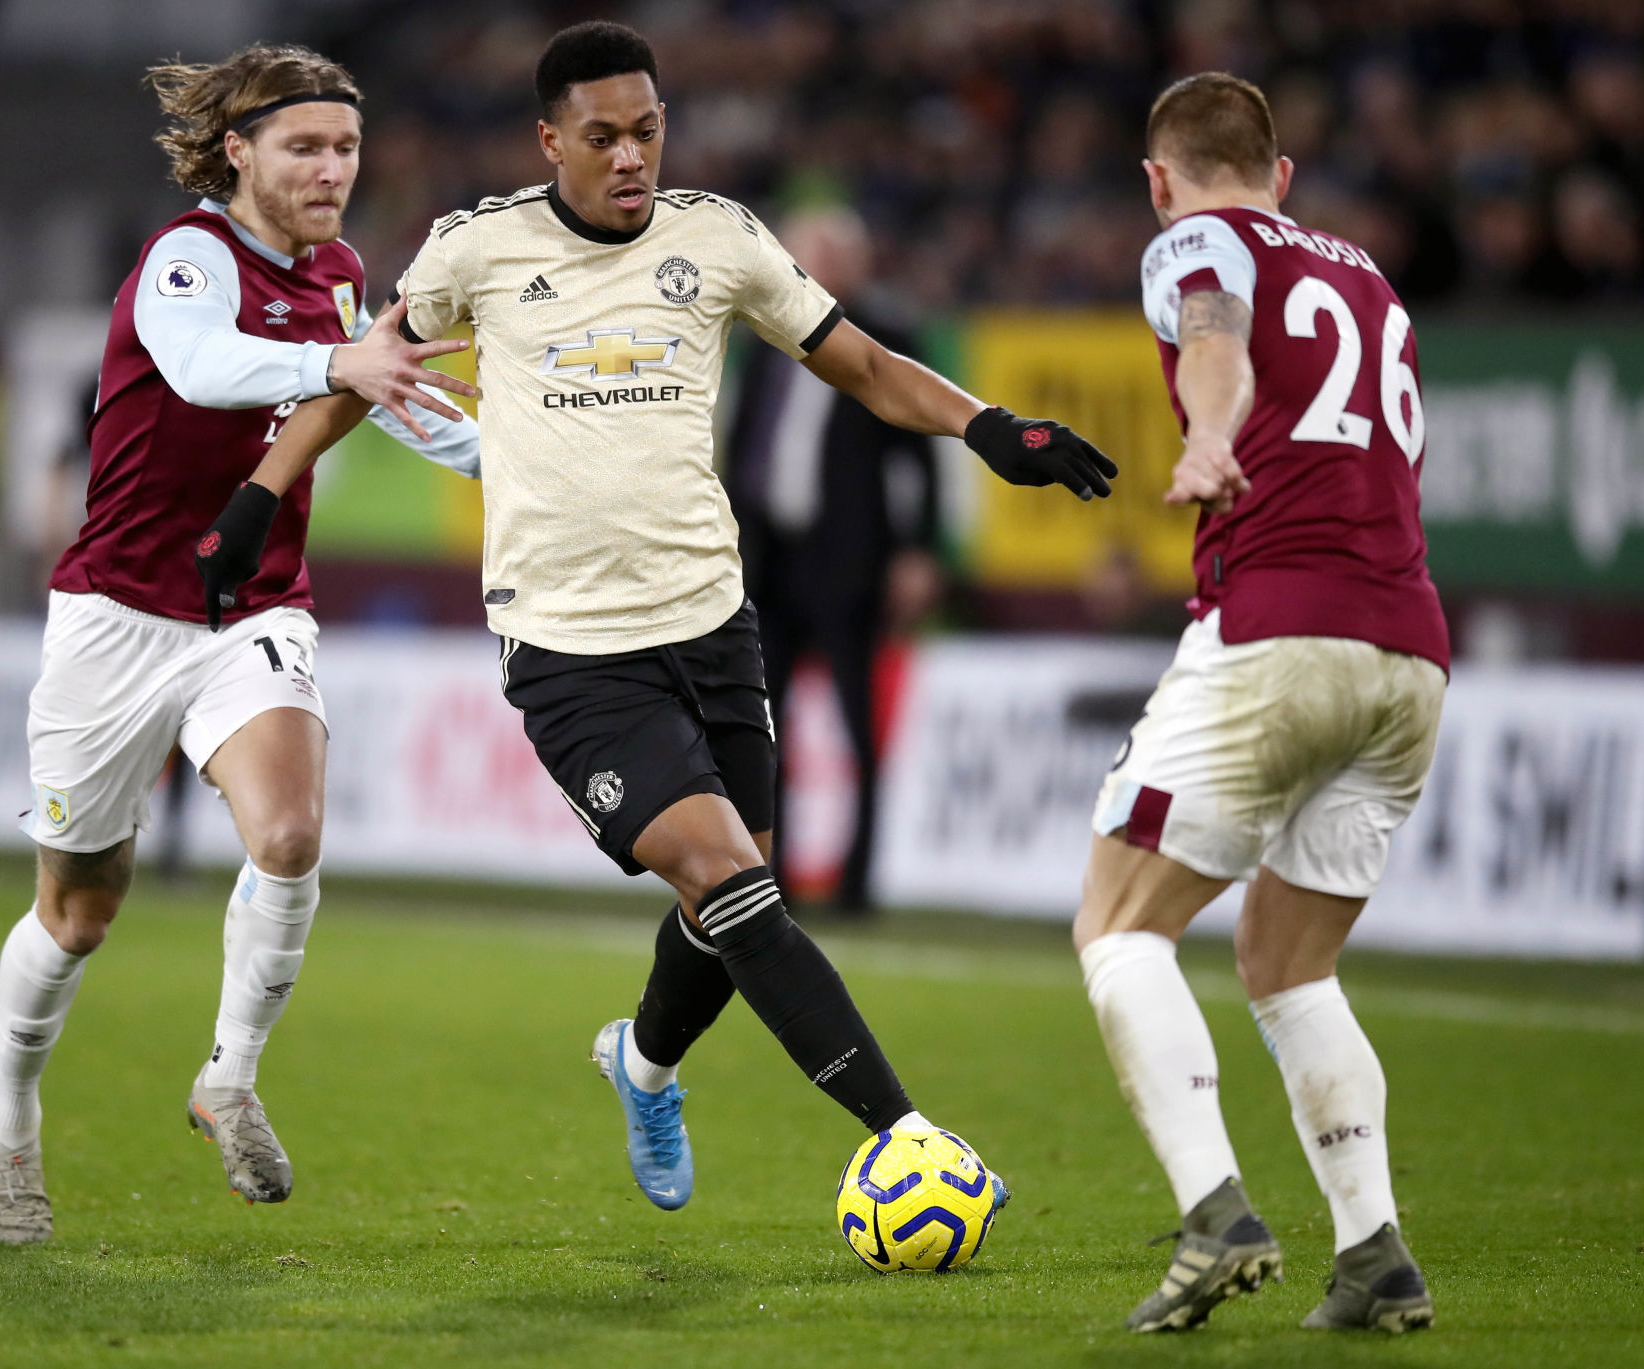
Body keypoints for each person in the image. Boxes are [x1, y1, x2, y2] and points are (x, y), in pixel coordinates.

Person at [252, 21, 1115, 1216]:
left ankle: (643, 1065)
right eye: (600, 136)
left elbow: (859, 364)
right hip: (567, 647)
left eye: (646, 130)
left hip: (713, 620)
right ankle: (909, 1137)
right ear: (549, 138)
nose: (628, 157)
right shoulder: (477, 251)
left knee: (724, 902)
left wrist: (986, 425)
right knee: (730, 878)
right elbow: (362, 370)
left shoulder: (718, 240)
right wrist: (260, 496)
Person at [0, 43, 482, 1246]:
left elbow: (382, 391)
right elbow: (204, 374)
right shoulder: (187, 257)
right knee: (79, 912)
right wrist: (336, 360)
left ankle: (230, 1077)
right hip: (114, 612)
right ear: (239, 151)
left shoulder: (343, 275)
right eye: (304, 147)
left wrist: (520, 465)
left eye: (346, 147)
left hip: (251, 606)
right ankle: (11, 1117)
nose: (330, 169)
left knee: (291, 832)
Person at [1075, 72, 1449, 1333]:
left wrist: (1206, 431)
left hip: (1278, 633)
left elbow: (1215, 331)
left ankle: (1214, 1213)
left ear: (1156, 178)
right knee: (1290, 968)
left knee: (1117, 927)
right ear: (1281, 171)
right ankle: (1375, 1254)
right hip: (1407, 659)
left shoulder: (1194, 238)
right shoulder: (1365, 276)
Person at [723, 206, 944, 913]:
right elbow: (744, 440)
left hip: (850, 556)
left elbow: (924, 453)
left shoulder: (890, 334)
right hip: (773, 554)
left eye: (819, 253)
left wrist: (917, 549)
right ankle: (771, 874)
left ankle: (857, 880)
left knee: (857, 723)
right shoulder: (766, 338)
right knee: (764, 725)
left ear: (852, 263)